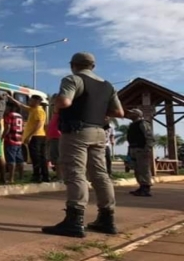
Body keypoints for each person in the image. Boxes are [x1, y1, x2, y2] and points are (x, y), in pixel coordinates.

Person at [41, 52, 124, 239]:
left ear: (73, 65)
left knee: (75, 172)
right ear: (93, 66)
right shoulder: (107, 86)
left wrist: (55, 103)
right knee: (100, 174)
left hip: (77, 132)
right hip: (99, 132)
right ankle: (107, 219)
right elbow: (119, 112)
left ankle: (74, 221)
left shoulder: (73, 79)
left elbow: (65, 101)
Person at [8, 94, 49, 183]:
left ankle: (37, 176)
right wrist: (11, 98)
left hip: (37, 136)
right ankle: (44, 176)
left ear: (37, 102)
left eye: (31, 100)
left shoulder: (39, 111)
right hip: (38, 136)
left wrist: (30, 136)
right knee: (40, 157)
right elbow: (21, 106)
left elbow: (39, 124)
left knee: (36, 157)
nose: (29, 102)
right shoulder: (33, 109)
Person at [125, 108, 155, 197]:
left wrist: (147, 148)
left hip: (142, 149)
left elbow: (149, 136)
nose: (129, 114)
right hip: (133, 149)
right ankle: (141, 186)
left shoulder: (143, 123)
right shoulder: (132, 125)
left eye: (132, 113)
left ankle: (146, 188)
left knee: (144, 169)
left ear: (138, 114)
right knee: (137, 169)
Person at [2, 102, 24, 183]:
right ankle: (21, 177)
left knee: (11, 160)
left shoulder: (9, 115)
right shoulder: (20, 116)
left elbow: (8, 127)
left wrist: (3, 136)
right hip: (19, 140)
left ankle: (11, 178)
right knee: (20, 160)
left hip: (10, 140)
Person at [47, 94, 62, 181]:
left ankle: (60, 177)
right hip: (53, 136)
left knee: (57, 158)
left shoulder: (61, 112)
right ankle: (59, 176)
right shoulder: (55, 113)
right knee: (54, 158)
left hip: (57, 137)